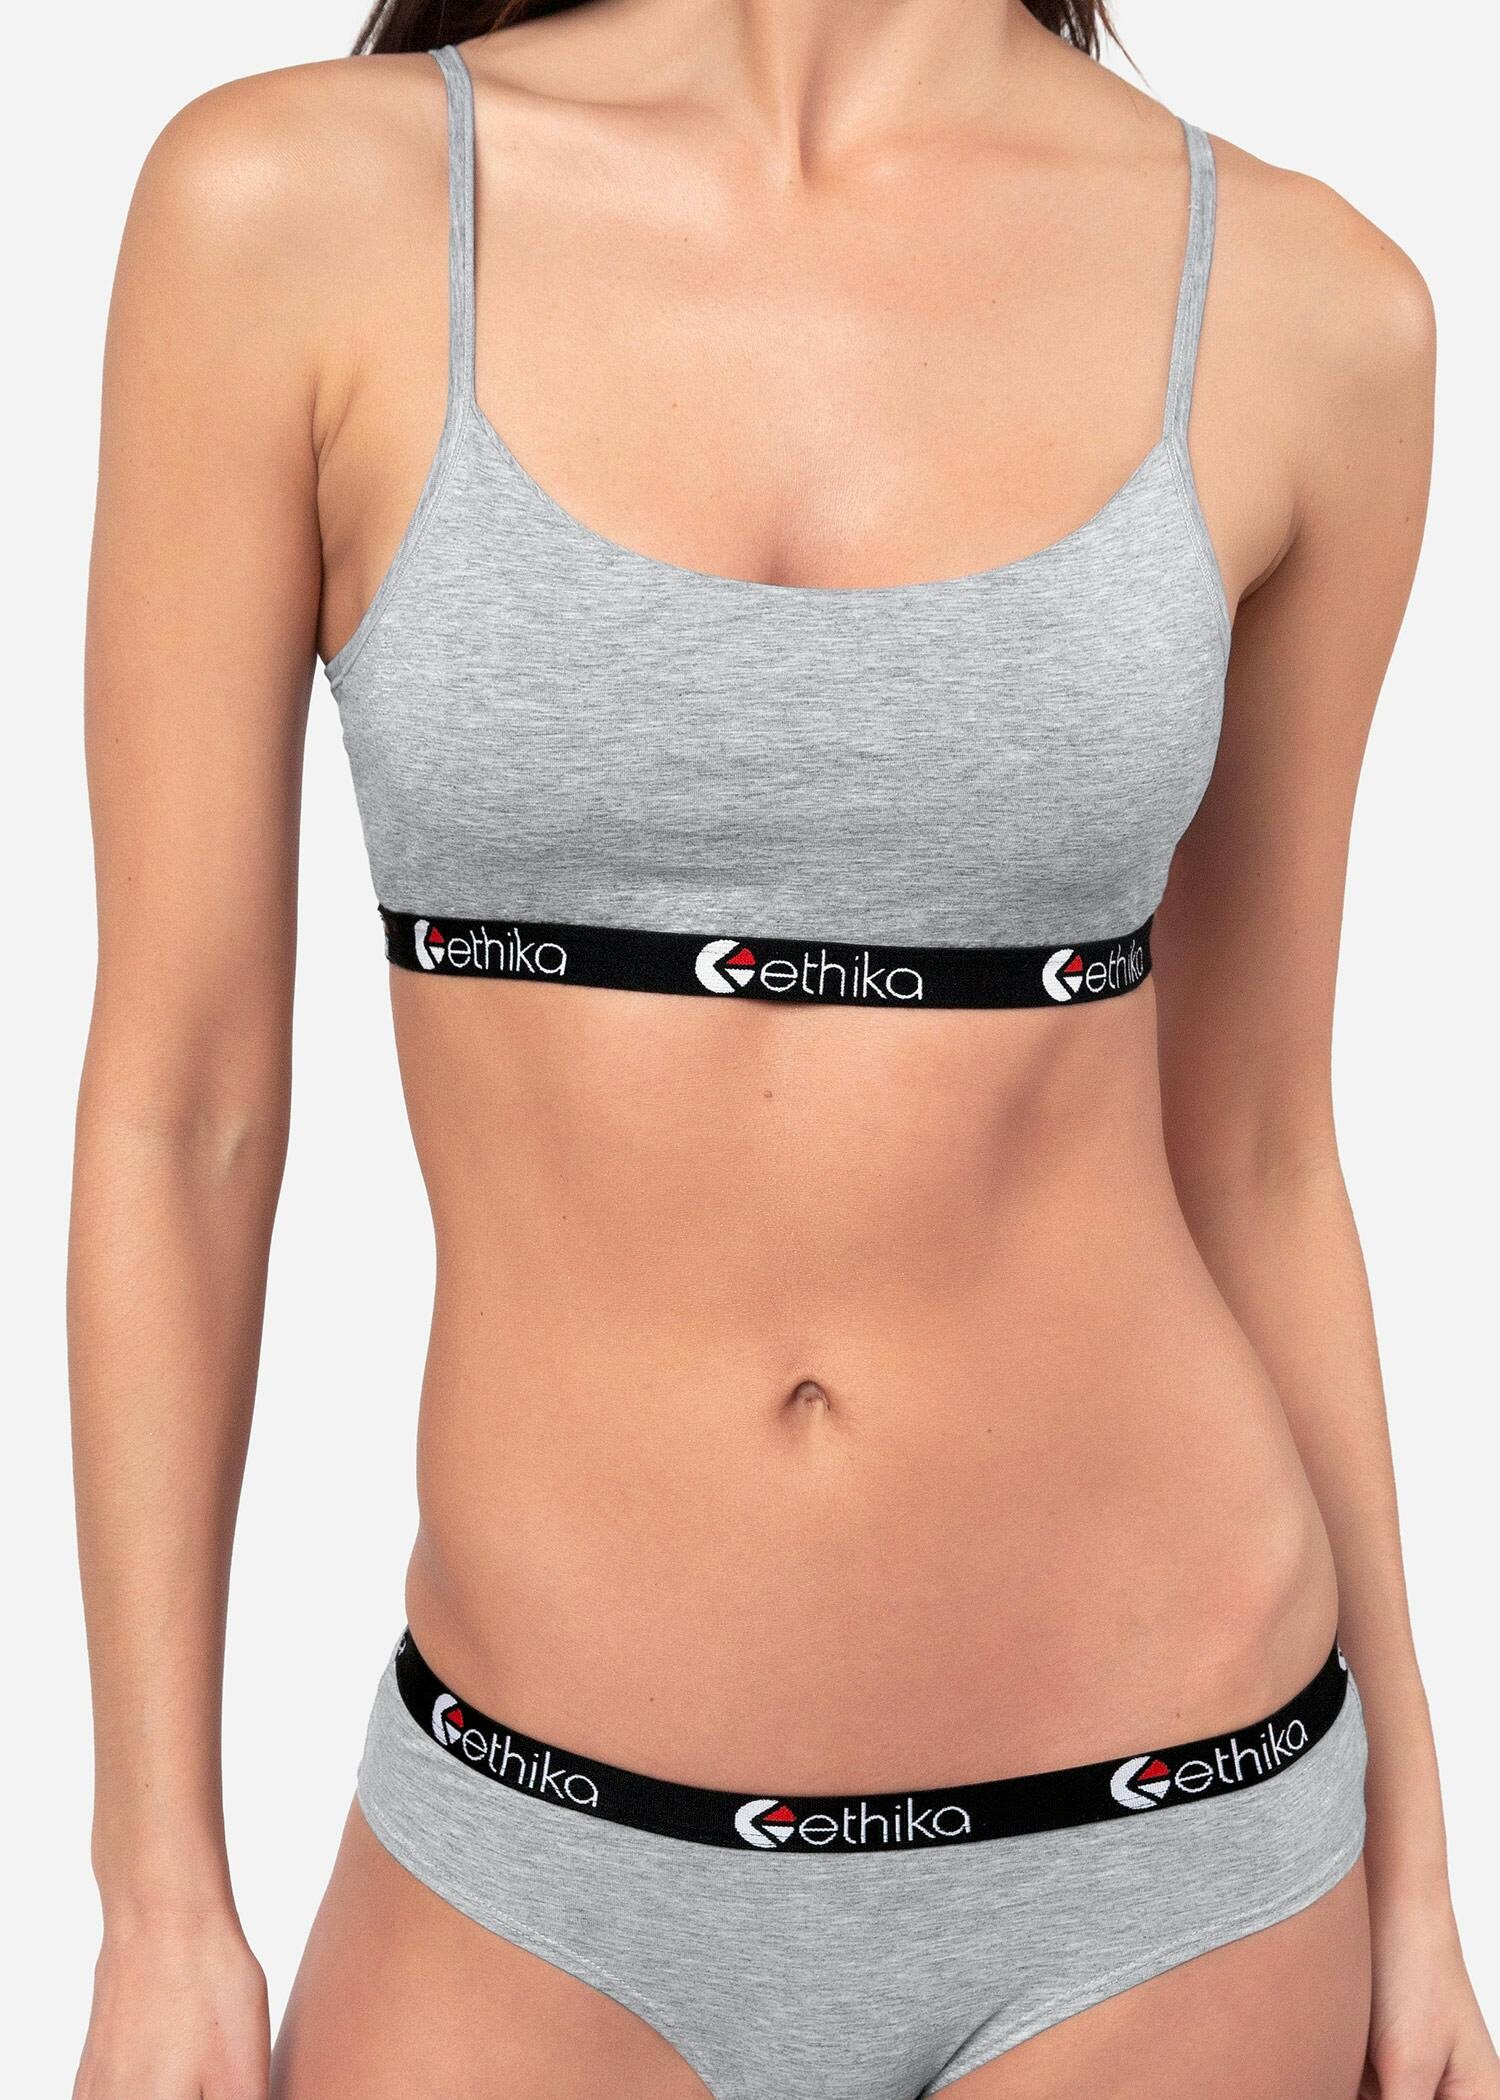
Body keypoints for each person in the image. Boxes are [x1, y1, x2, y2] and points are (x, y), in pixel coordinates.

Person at [70, 3, 1496, 2097]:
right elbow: (181, 1109)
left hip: (1165, 1854)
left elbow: (1261, 1146)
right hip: (532, 1851)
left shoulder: (1311, 307)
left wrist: (1422, 1872)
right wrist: (157, 1897)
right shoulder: (296, 209)